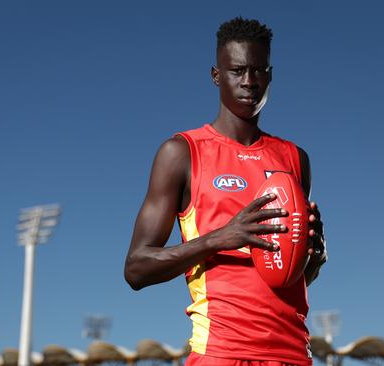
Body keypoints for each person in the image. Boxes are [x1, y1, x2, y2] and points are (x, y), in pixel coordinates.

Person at [124, 17, 327, 366]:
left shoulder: (296, 158)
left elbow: (288, 275)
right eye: (237, 71)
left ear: (271, 75)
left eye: (259, 70)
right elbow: (136, 269)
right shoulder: (182, 152)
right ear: (216, 76)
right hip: (221, 352)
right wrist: (220, 237)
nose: (249, 82)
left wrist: (313, 255)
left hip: (293, 352)